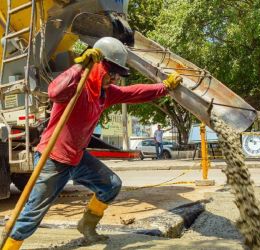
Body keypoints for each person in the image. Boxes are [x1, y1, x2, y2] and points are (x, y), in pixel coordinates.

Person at [2, 37, 182, 250]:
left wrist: (164, 87)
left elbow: (135, 93)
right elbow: (54, 92)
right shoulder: (76, 86)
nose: (114, 78)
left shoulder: (106, 94)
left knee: (111, 185)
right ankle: (10, 246)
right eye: (111, 71)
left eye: (118, 74)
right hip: (53, 158)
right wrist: (79, 66)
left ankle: (87, 226)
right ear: (96, 64)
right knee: (32, 213)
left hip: (77, 158)